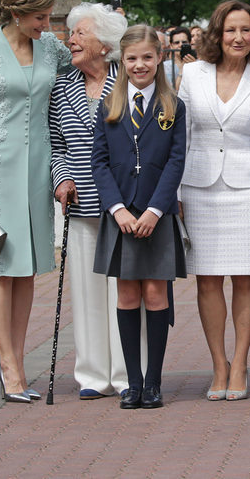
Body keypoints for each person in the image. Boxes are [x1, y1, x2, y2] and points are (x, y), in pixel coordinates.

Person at [0, 0, 71, 403]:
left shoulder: (52, 48)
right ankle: (7, 364)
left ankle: (18, 360)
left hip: (40, 168)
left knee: (28, 267)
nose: (47, 24)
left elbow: (80, 74)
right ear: (17, 12)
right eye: (40, 17)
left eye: (49, 16)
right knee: (1, 265)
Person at [178, 0, 250, 401]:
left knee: (246, 277)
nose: (239, 37)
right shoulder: (191, 74)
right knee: (208, 280)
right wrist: (176, 193)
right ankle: (218, 364)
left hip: (249, 188)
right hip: (198, 187)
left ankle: (240, 363)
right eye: (231, 30)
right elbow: (179, 135)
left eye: (246, 30)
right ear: (217, 34)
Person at [91, 25, 187, 410]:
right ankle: (132, 382)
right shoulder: (108, 105)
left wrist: (154, 210)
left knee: (154, 293)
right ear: (121, 60)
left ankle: (154, 382)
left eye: (147, 57)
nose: (139, 64)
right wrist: (117, 209)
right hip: (121, 218)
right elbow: (98, 162)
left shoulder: (173, 106)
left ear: (160, 57)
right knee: (128, 295)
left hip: (155, 216)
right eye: (132, 58)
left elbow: (177, 161)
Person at [49, 2, 140, 400]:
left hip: (123, 204)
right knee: (86, 290)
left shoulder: (129, 82)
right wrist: (62, 179)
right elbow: (56, 145)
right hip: (81, 204)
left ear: (104, 43)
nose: (71, 40)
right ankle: (91, 375)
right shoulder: (61, 87)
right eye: (72, 34)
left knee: (125, 289)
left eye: (80, 33)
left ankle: (125, 375)